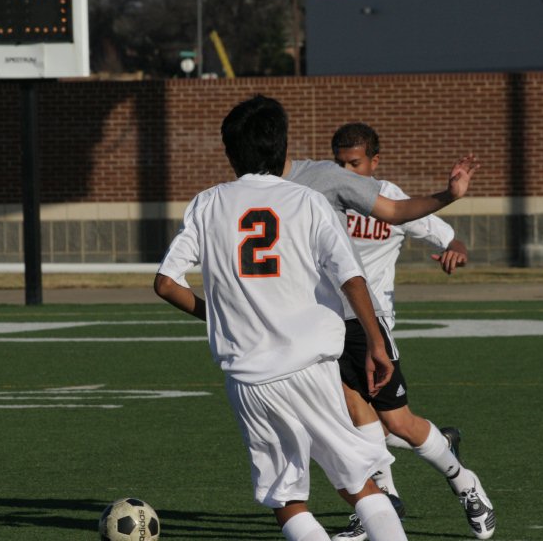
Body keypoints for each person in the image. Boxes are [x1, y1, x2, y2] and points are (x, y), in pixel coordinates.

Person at [153, 96, 410, 541]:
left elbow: (165, 282)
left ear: (230, 153)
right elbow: (350, 276)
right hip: (313, 366)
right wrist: (375, 341)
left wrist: (219, 318)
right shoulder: (306, 201)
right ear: (283, 146)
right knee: (359, 486)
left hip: (250, 376)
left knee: (287, 498)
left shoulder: (207, 203)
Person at [329, 123, 496, 541]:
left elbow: (448, 236)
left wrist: (455, 251)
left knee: (398, 423)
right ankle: (380, 506)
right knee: (351, 416)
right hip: (328, 323)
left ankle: (463, 480)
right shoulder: (323, 197)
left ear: (375, 162)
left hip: (372, 324)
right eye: (340, 163)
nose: (346, 170)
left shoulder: (390, 200)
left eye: (355, 163)